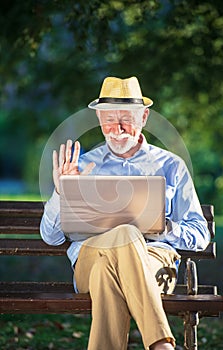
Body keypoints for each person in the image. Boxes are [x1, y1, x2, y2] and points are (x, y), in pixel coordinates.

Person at [40, 76, 210, 350]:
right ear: (98, 120)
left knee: (107, 273)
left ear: (144, 117)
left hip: (153, 259)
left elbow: (200, 235)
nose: (117, 129)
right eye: (109, 119)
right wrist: (62, 192)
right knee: (125, 233)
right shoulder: (81, 166)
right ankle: (160, 344)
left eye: (126, 119)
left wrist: (163, 226)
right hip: (90, 255)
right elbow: (51, 237)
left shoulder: (171, 166)